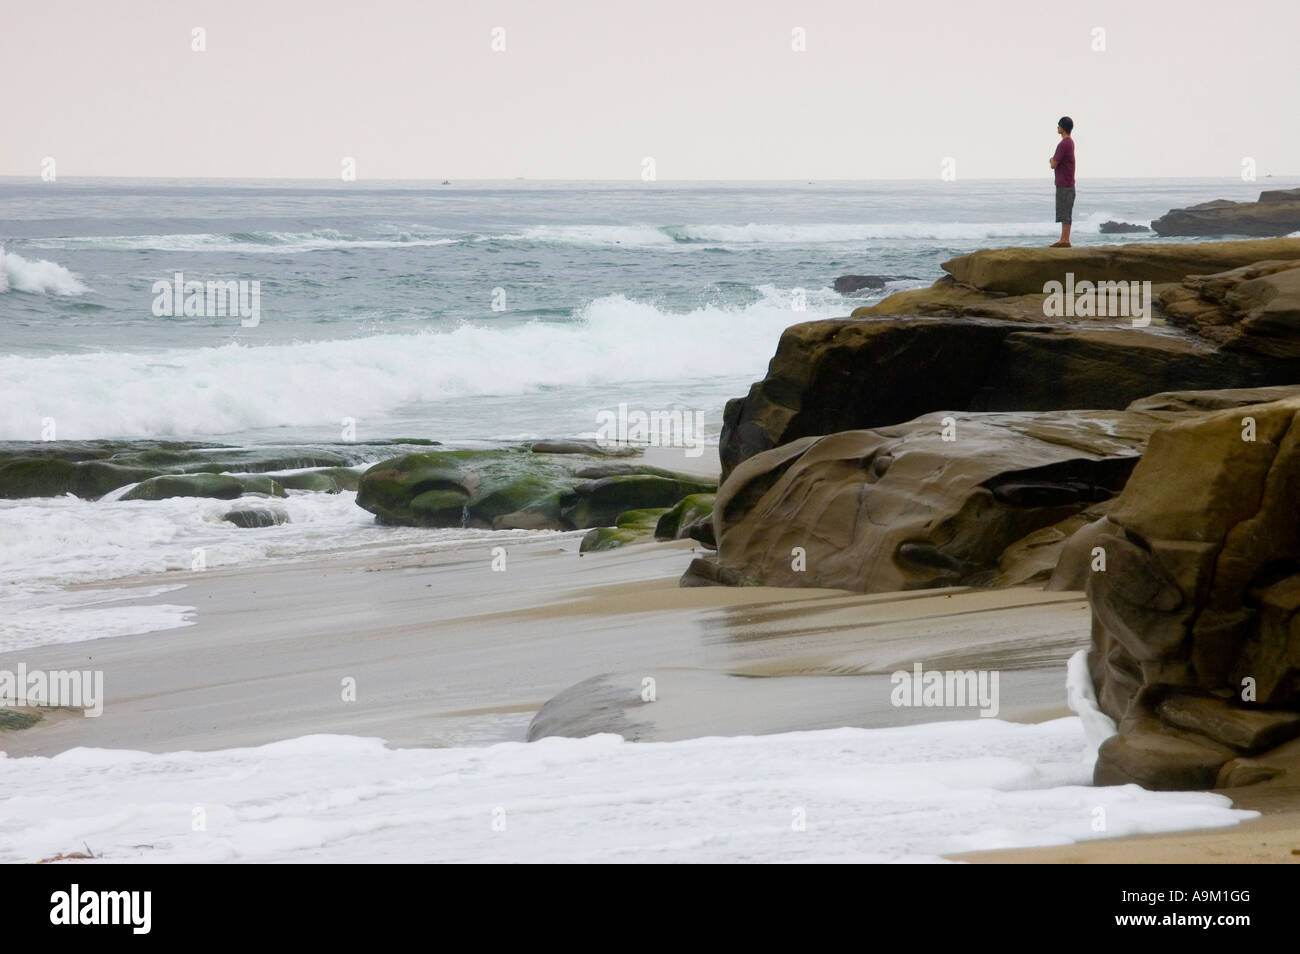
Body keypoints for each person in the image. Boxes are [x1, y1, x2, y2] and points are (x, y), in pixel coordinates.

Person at [1049, 116, 1075, 247]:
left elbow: (1054, 164)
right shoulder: (1069, 142)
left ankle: (1065, 240)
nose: (1057, 127)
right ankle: (1064, 239)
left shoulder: (1063, 144)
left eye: (1059, 125)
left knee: (1065, 213)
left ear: (1063, 128)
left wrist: (1050, 160)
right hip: (1067, 183)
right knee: (1066, 212)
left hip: (1064, 183)